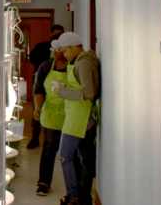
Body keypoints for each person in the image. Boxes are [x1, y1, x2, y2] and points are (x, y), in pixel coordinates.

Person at [53, 32, 100, 205]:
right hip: (83, 116)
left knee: (65, 156)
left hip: (79, 117)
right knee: (86, 158)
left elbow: (88, 93)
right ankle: (84, 196)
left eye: (65, 50)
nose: (64, 54)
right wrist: (67, 86)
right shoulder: (83, 61)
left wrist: (61, 91)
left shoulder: (82, 64)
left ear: (74, 46)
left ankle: (73, 197)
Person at [32, 40, 71, 196]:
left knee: (70, 152)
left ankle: (73, 188)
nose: (55, 52)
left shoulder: (73, 67)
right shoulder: (45, 67)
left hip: (70, 112)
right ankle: (43, 183)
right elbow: (39, 90)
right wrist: (37, 107)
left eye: (59, 49)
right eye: (53, 49)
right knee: (48, 148)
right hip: (50, 113)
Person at [27, 24, 65, 149]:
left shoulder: (67, 55)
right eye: (55, 35)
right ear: (50, 34)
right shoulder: (42, 47)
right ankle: (35, 136)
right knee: (37, 108)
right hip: (41, 79)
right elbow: (32, 59)